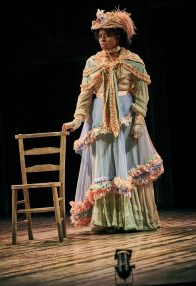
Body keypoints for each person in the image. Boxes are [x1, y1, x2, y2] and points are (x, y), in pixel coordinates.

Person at [62, 8, 164, 233]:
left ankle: (133, 218)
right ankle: (108, 220)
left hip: (126, 118)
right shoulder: (92, 62)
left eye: (107, 35)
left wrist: (138, 120)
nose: (102, 39)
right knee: (105, 165)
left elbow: (141, 94)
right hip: (99, 120)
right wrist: (77, 121)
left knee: (127, 165)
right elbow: (85, 95)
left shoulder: (133, 60)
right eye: (99, 36)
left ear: (118, 36)